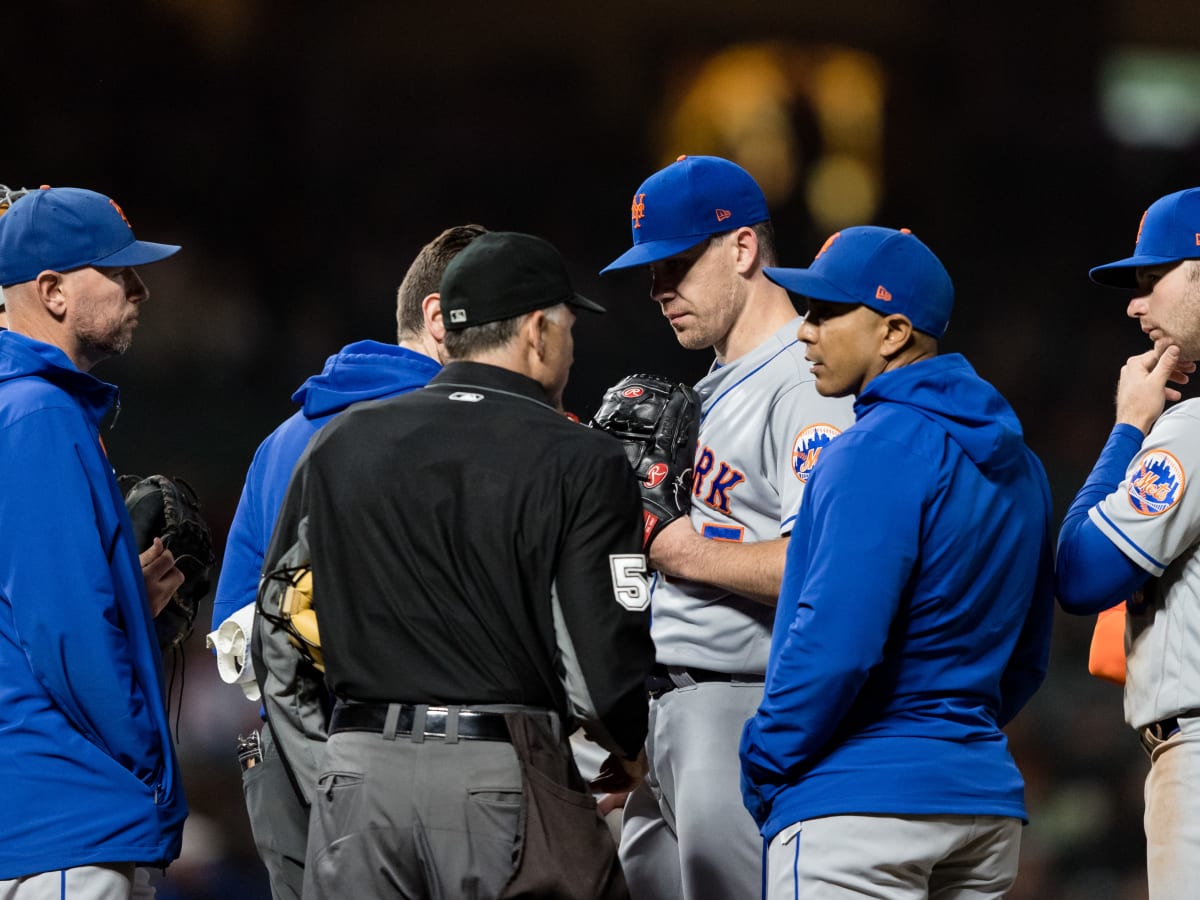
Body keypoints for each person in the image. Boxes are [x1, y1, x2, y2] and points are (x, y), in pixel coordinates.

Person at [277, 231, 656, 899]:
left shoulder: (340, 441)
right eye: (568, 327)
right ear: (538, 331)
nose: (571, 345)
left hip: (356, 776)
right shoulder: (580, 458)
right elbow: (599, 674)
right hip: (496, 775)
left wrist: (331, 774)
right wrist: (628, 749)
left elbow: (279, 637)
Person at [738, 225, 1054, 898]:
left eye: (827, 313)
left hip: (859, 806)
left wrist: (763, 760)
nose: (804, 331)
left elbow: (836, 646)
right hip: (982, 805)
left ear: (893, 332)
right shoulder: (1023, 466)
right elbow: (1027, 659)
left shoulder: (870, 449)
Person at [598, 154, 856, 898]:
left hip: (742, 703)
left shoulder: (806, 380)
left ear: (742, 249)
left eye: (676, 264)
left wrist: (679, 551)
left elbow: (821, 568)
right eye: (649, 272)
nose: (658, 290)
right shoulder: (707, 389)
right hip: (667, 715)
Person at [209, 224, 486, 900]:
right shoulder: (468, 427)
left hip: (292, 767)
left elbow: (235, 642)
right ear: (437, 319)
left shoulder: (282, 439)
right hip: (435, 769)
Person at [0, 187, 188, 897]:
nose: (138, 287)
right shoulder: (36, 413)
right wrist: (146, 770)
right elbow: (66, 634)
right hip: (65, 815)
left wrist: (129, 606)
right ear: (50, 291)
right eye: (115, 271)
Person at [1055, 186, 1200, 900]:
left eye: (1153, 280)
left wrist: (1128, 428)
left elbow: (1081, 573)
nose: (1135, 306)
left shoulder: (1192, 428)